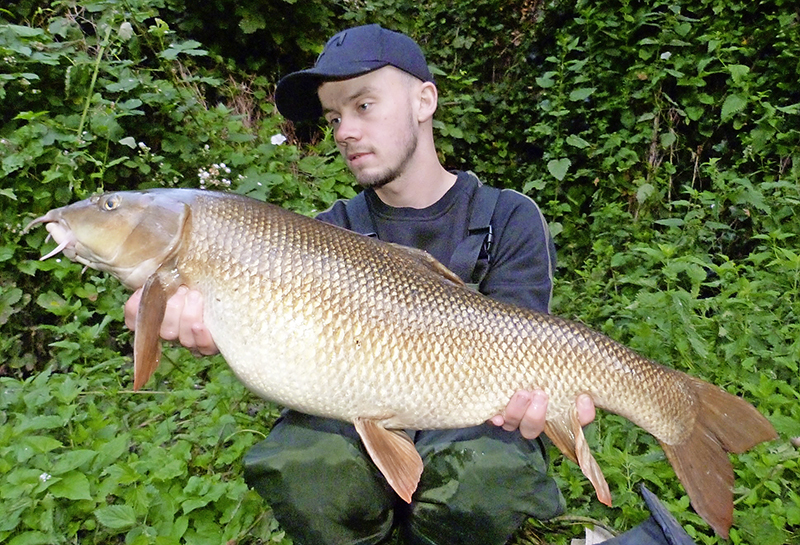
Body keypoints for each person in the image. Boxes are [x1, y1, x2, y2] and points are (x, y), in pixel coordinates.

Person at [124, 23, 694, 545]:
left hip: (472, 414)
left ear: (425, 100)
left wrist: (544, 403)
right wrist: (200, 315)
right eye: (333, 118)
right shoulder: (325, 233)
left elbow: (524, 347)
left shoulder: (508, 217)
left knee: (486, 474)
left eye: (363, 105)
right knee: (304, 465)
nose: (345, 131)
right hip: (354, 410)